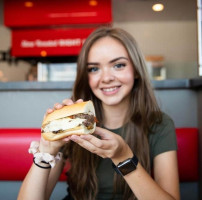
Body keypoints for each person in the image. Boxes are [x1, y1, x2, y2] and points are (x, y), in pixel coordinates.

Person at [18, 27, 180, 200]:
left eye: (118, 65)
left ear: (137, 70)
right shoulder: (72, 122)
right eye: (94, 69)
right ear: (85, 77)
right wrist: (46, 151)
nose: (106, 78)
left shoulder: (159, 124)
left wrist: (123, 157)